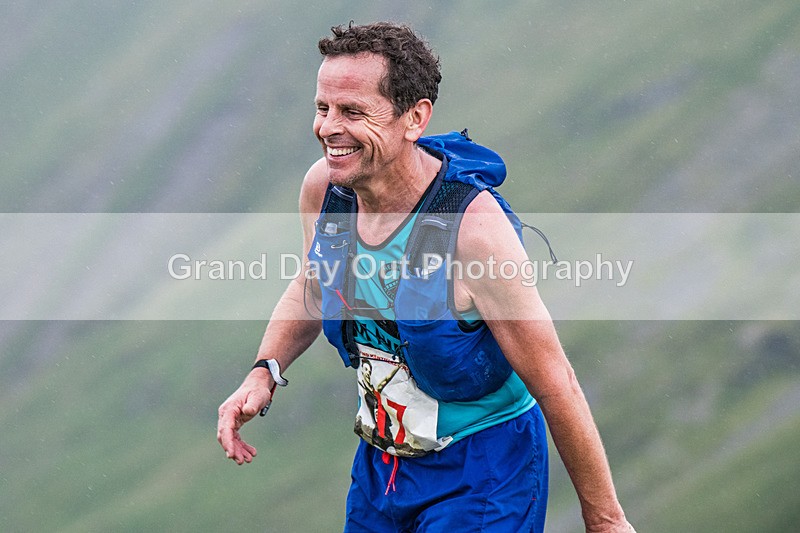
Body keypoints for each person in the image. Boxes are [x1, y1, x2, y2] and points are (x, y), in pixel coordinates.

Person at [217, 21, 635, 532]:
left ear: (414, 118)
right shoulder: (326, 190)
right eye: (322, 108)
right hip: (381, 467)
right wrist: (265, 369)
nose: (328, 127)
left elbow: (555, 383)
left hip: (485, 470)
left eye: (352, 111)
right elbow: (313, 286)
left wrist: (606, 520)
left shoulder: (473, 231)